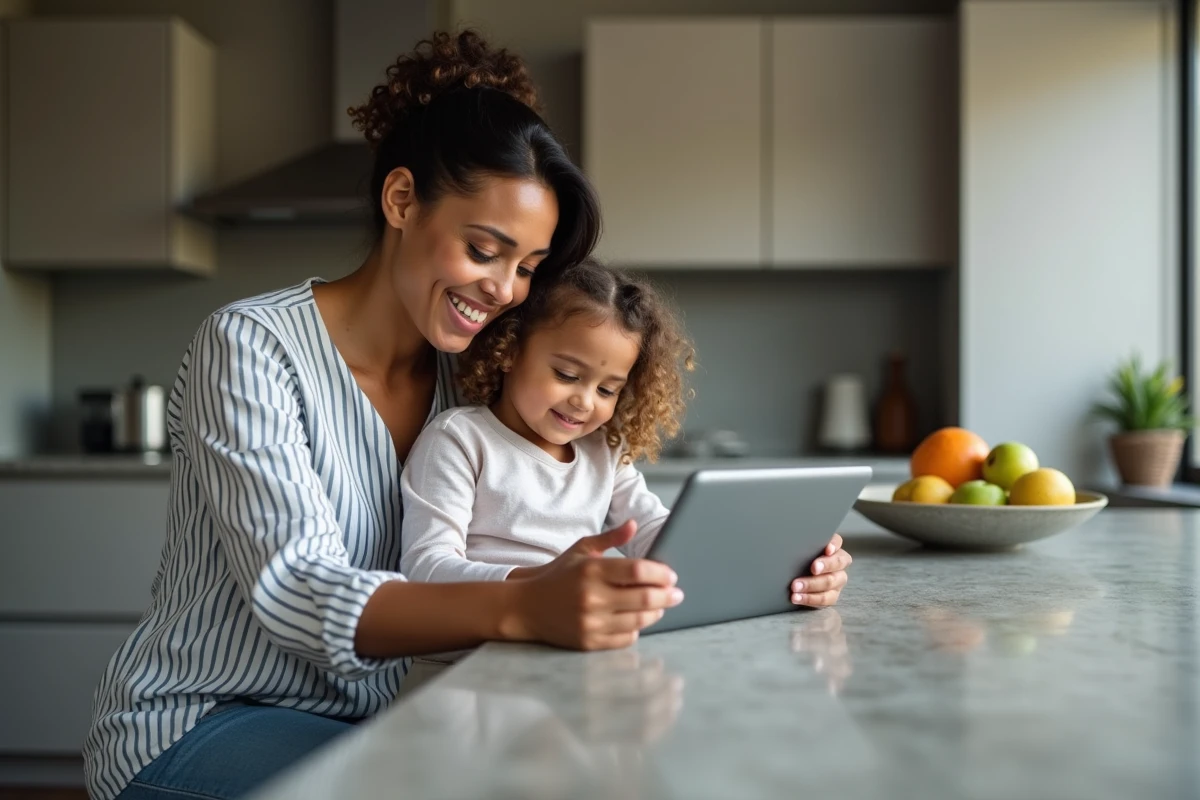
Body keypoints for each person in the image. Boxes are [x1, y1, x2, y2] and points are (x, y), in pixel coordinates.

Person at [82, 29, 852, 800]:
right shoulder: (251, 347)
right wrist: (524, 602)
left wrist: (775, 566)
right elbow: (298, 590)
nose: (506, 290)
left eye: (526, 268)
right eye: (484, 250)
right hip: (206, 719)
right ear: (401, 200)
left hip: (393, 713)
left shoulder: (480, 374)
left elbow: (607, 514)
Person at [399, 258, 695, 584]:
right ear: (509, 350)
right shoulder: (459, 441)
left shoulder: (603, 452)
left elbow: (650, 527)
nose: (584, 401)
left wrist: (694, 553)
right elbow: (427, 566)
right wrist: (542, 584)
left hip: (567, 619)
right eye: (566, 374)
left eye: (607, 390)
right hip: (485, 623)